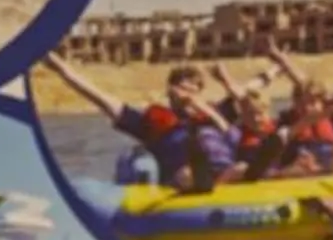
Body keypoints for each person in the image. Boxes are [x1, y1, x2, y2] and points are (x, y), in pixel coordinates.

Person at [40, 51, 242, 191]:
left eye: (191, 89)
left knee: (240, 166)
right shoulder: (152, 121)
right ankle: (208, 180)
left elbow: (249, 103)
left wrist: (223, 81)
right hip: (183, 179)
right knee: (187, 174)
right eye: (180, 88)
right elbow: (101, 98)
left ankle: (221, 181)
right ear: (170, 91)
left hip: (223, 172)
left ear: (200, 92)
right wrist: (61, 69)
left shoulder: (213, 113)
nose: (185, 94)